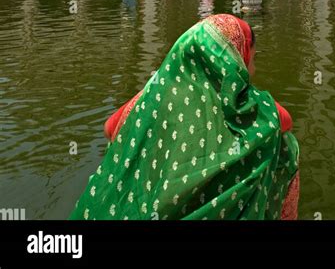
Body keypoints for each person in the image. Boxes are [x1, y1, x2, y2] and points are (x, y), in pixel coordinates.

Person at [69, 13, 299, 221]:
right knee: (286, 146)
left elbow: (111, 128)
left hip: (140, 207)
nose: (253, 69)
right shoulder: (250, 108)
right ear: (234, 60)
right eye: (252, 59)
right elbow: (284, 121)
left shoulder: (152, 95)